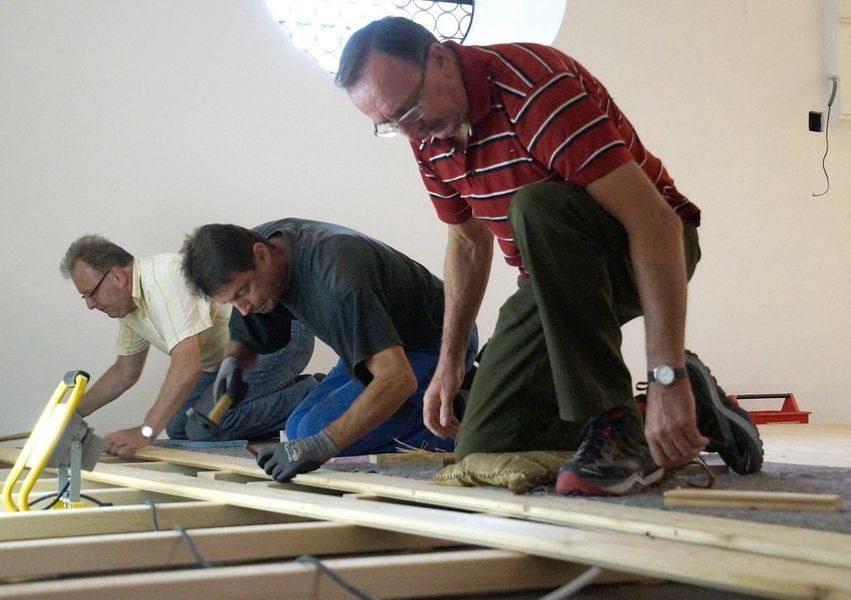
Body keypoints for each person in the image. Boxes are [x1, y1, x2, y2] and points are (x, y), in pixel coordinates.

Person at [336, 16, 763, 495]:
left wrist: (667, 377)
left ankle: (617, 418)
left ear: (438, 58)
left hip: (648, 246)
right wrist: (450, 360)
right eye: (390, 125)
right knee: (486, 442)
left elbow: (655, 223)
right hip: (547, 277)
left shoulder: (533, 87)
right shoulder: (427, 136)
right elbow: (468, 241)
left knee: (536, 206)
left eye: (409, 110)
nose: (410, 132)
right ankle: (673, 416)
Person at [180, 219, 478, 482]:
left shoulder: (337, 280)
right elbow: (248, 336)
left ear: (261, 254)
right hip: (373, 346)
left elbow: (397, 379)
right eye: (232, 302)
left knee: (315, 436)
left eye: (243, 294)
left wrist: (321, 447)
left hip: (440, 343)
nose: (243, 309)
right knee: (297, 429)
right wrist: (233, 363)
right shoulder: (260, 252)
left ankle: (463, 416)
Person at [60, 235, 319, 457]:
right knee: (178, 427)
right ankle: (287, 395)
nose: (90, 304)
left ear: (117, 276)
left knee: (203, 428)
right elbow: (124, 372)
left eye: (90, 293)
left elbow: (187, 366)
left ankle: (316, 393)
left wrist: (145, 432)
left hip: (274, 342)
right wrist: (69, 414)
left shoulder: (164, 280)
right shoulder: (131, 308)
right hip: (228, 360)